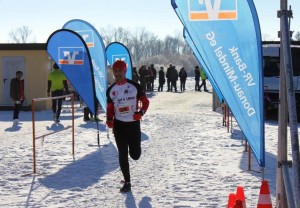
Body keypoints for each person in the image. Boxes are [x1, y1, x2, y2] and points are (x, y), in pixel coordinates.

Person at [106, 60, 150, 193]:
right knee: (122, 154)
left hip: (133, 125)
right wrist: (109, 119)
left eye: (120, 71)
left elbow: (145, 101)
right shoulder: (111, 90)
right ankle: (127, 182)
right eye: (116, 71)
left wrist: (140, 113)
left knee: (135, 155)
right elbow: (110, 107)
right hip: (119, 126)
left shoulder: (134, 86)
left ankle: (136, 150)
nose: (118, 73)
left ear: (125, 71)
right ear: (113, 73)